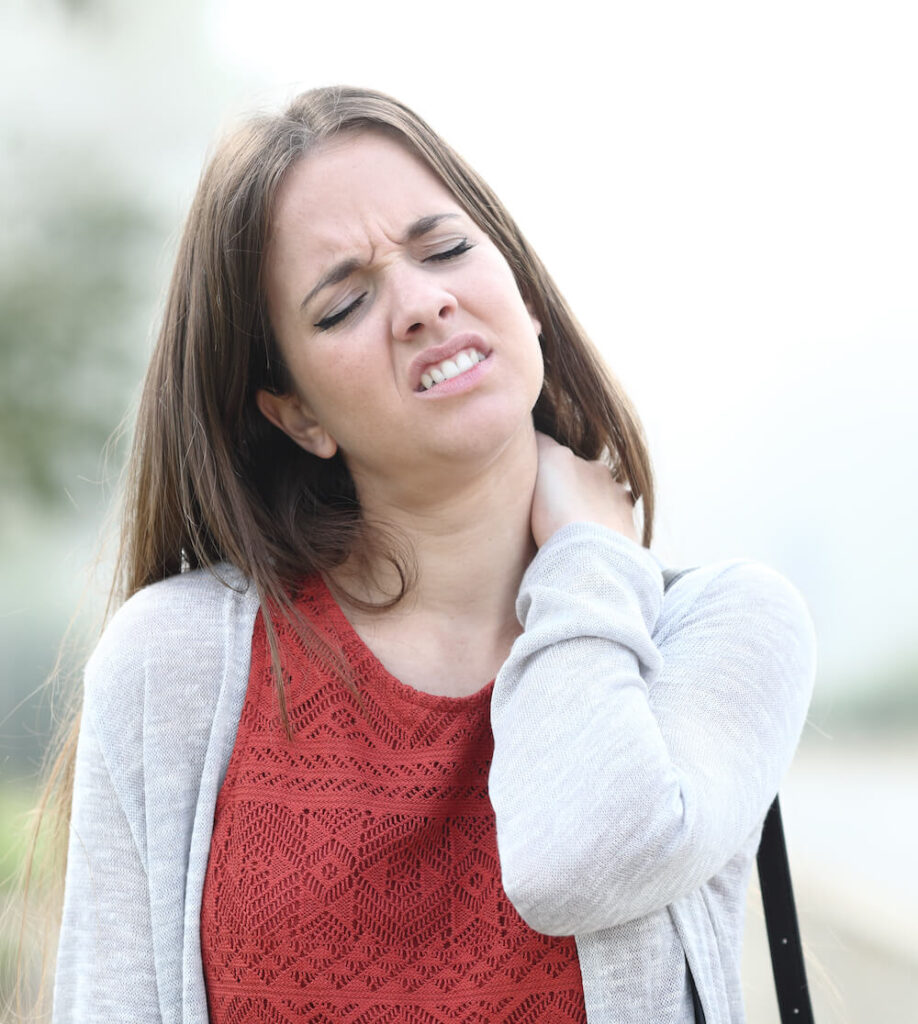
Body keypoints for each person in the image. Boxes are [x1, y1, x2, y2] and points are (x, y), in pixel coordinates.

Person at [47, 85, 817, 1023]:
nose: (421, 303)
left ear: (525, 296)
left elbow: (578, 862)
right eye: (344, 304)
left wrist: (583, 559)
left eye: (446, 249)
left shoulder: (718, 630)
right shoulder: (174, 665)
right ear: (297, 414)